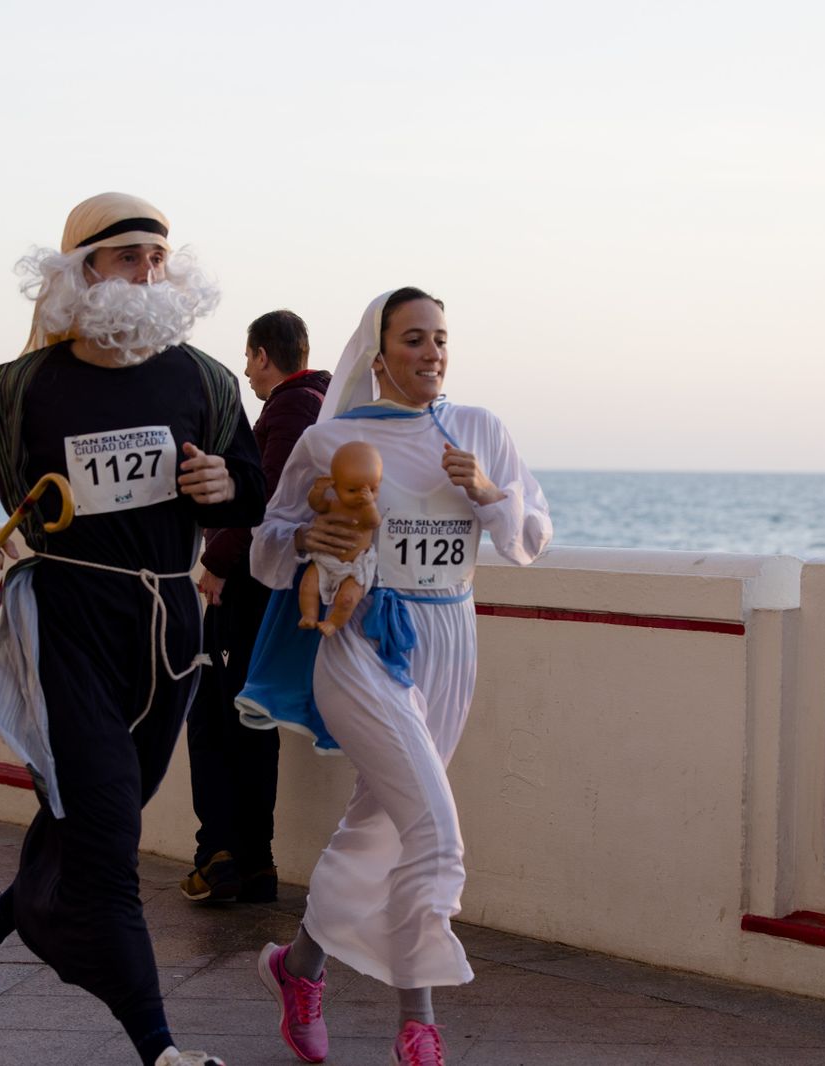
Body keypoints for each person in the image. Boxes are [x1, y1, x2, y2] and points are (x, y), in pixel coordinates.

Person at [0, 192, 263, 1066]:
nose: (147, 274)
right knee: (109, 838)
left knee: (91, 817)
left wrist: (224, 486)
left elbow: (256, 488)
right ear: (80, 271)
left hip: (169, 634)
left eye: (157, 257)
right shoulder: (27, 386)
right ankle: (161, 1049)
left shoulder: (204, 379)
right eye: (127, 258)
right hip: (68, 619)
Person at [243, 288, 551, 1065]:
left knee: (380, 822)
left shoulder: (480, 431)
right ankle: (420, 1024)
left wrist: (486, 494)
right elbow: (266, 554)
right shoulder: (331, 438)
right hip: (361, 643)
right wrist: (310, 531)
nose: (432, 354)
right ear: (378, 356)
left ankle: (299, 969)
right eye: (414, 340)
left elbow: (531, 540)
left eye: (441, 340)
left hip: (452, 641)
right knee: (433, 831)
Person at [180, 310, 329, 904]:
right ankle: (254, 862)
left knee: (215, 718)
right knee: (249, 720)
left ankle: (219, 856)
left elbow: (265, 498)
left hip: (250, 587)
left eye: (248, 358)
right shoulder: (322, 404)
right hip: (281, 587)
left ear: (263, 355)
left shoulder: (292, 410)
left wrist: (216, 559)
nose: (245, 371)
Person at [297, 440, 382, 637]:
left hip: (355, 567)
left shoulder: (366, 510)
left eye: (372, 489)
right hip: (327, 561)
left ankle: (334, 622)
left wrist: (369, 504)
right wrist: (317, 490)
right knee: (308, 584)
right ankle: (309, 615)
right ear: (335, 486)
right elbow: (316, 505)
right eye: (352, 490)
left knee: (347, 599)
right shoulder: (333, 504)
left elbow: (373, 521)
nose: (363, 495)